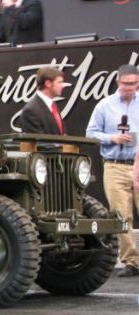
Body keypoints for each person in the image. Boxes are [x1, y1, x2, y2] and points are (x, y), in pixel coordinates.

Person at [86, 64, 139, 277]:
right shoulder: (105, 106)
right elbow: (90, 133)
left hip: (138, 163)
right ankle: (132, 261)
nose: (130, 88)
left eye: (134, 83)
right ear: (118, 82)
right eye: (126, 84)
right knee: (121, 215)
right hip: (114, 165)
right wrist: (112, 138)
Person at [19, 66, 65, 135]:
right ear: (48, 83)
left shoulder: (53, 106)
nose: (63, 86)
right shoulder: (31, 111)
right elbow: (39, 143)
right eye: (59, 82)